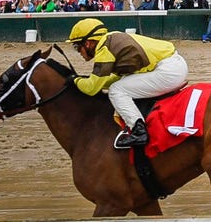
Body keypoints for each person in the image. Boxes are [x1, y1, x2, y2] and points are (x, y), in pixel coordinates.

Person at [66, 18, 188, 149]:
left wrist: (75, 80)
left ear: (88, 43)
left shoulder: (105, 50)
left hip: (168, 71)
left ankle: (138, 131)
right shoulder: (112, 38)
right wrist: (88, 81)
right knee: (121, 84)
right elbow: (114, 78)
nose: (78, 52)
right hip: (174, 64)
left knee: (116, 90)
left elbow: (91, 88)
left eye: (77, 47)